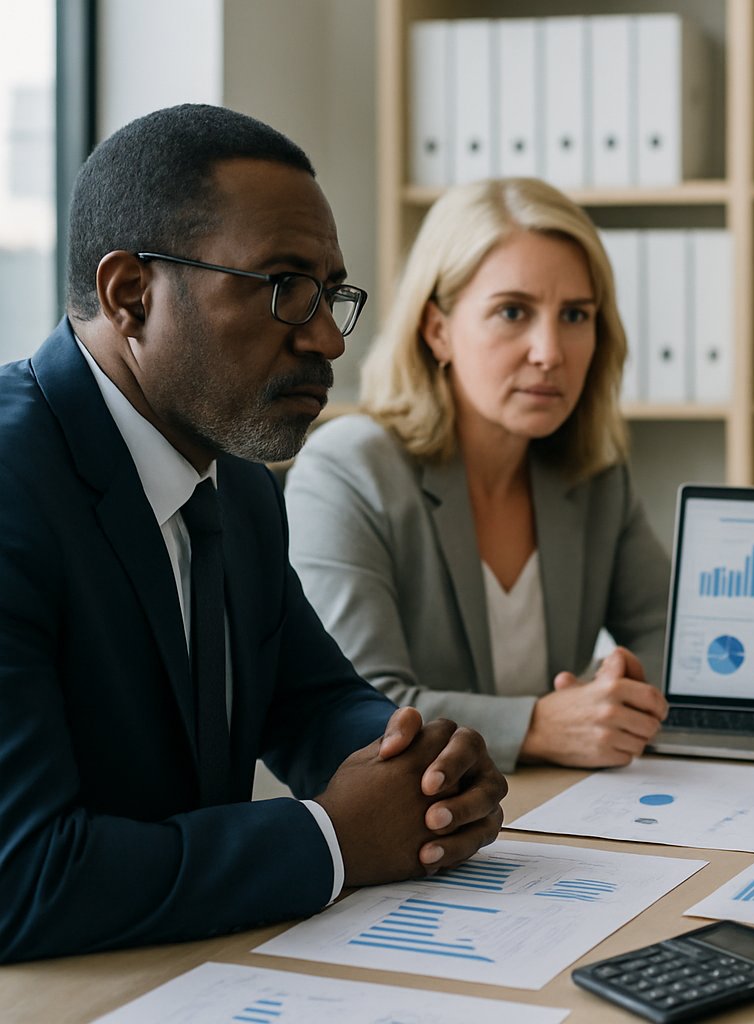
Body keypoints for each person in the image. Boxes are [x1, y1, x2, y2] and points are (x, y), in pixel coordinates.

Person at [0, 104, 507, 964]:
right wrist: (333, 840)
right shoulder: (14, 484)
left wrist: (420, 768)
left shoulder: (236, 478)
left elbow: (309, 702)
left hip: (184, 967)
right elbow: (23, 880)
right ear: (132, 294)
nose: (324, 340)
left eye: (330, 293)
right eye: (282, 287)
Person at [284, 178, 669, 773]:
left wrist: (619, 688)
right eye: (512, 312)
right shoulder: (348, 471)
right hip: (410, 831)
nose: (549, 351)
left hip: (560, 814)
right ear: (437, 329)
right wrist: (540, 725)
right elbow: (356, 712)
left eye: (575, 315)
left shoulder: (594, 477)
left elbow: (673, 638)